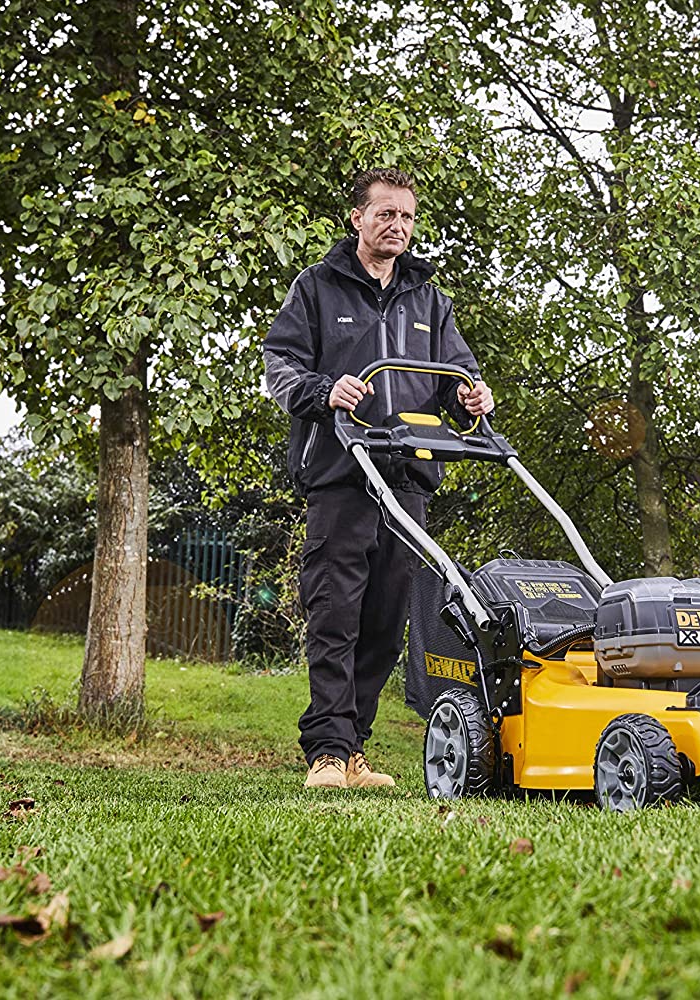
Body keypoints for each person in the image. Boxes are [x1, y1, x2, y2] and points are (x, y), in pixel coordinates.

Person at [262, 168, 494, 790]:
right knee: (335, 614)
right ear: (358, 219)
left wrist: (472, 397)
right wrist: (323, 391)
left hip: (407, 476)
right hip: (342, 473)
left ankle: (354, 749)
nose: (398, 225)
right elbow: (280, 365)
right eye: (385, 213)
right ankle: (327, 751)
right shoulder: (317, 287)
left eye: (407, 216)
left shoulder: (429, 300)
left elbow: (457, 374)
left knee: (387, 622)